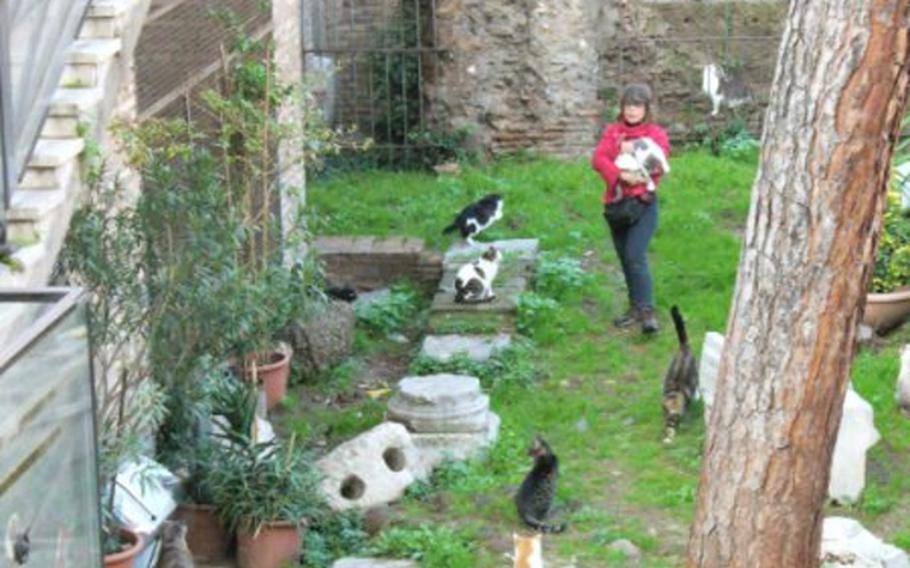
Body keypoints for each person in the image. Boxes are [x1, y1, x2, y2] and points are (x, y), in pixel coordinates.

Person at [591, 83, 670, 334]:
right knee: (625, 258)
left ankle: (647, 312)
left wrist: (634, 148)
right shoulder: (613, 132)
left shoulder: (655, 133)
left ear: (646, 108)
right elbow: (598, 159)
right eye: (628, 105)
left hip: (642, 204)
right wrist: (621, 175)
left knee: (636, 255)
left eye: (637, 105)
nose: (632, 110)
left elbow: (659, 162)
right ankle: (634, 308)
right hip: (616, 204)